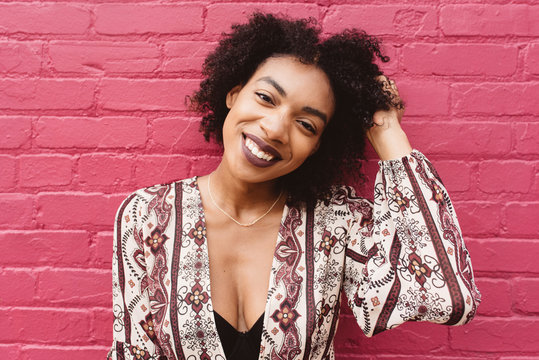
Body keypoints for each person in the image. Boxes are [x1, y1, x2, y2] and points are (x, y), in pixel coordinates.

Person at [107, 13, 481, 360]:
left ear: (318, 145)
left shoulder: (336, 221)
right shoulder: (147, 215)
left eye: (306, 124)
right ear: (234, 93)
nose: (273, 129)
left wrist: (385, 129)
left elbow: (445, 298)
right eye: (266, 98)